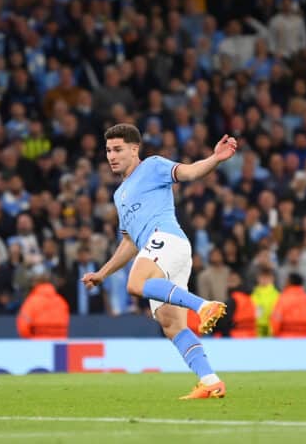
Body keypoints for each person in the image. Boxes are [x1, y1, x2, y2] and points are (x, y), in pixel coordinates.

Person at [82, 124, 237, 399]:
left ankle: (204, 305)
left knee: (136, 283)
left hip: (167, 239)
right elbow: (129, 242)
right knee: (172, 325)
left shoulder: (152, 166)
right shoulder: (119, 195)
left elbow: (188, 172)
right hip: (159, 252)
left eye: (117, 149)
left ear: (134, 149)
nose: (111, 156)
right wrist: (102, 273)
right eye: (107, 150)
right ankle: (210, 381)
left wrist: (214, 159)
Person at [17, 265, 70, 339]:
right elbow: (65, 328)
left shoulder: (31, 301)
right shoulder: (61, 301)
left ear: (34, 282)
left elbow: (23, 328)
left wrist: (33, 340)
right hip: (58, 346)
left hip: (38, 345)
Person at [270, 273, 306, 338]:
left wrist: (275, 335)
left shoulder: (282, 300)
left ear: (288, 282)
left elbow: (276, 321)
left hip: (287, 340)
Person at [214, 271, 256, 338]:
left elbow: (224, 322)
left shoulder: (233, 300)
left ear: (240, 281)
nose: (230, 282)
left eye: (233, 280)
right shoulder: (250, 298)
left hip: (234, 337)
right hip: (251, 335)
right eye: (229, 280)